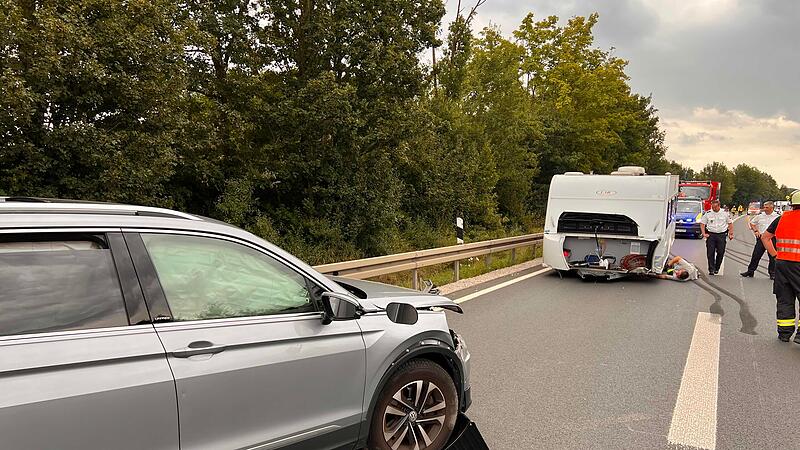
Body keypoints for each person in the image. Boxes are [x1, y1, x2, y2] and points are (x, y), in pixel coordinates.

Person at [761, 190, 800, 343]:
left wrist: (776, 255)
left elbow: (765, 237)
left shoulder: (782, 218)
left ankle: (784, 333)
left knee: (784, 299)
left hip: (782, 264)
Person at [741, 201, 780, 279]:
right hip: (762, 238)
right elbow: (752, 223)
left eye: (767, 207)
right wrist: (756, 231)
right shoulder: (760, 216)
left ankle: (772, 273)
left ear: (772, 208)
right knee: (756, 255)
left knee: (772, 257)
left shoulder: (777, 217)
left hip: (772, 238)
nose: (765, 209)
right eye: (764, 207)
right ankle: (750, 271)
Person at [700, 199, 733, 275]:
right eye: (712, 207)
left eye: (715, 207)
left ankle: (717, 267)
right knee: (710, 253)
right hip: (711, 235)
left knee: (721, 252)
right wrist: (704, 233)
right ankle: (711, 269)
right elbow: (702, 224)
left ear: (719, 206)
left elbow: (730, 223)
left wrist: (731, 233)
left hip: (721, 235)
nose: (713, 209)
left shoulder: (725, 213)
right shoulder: (708, 213)